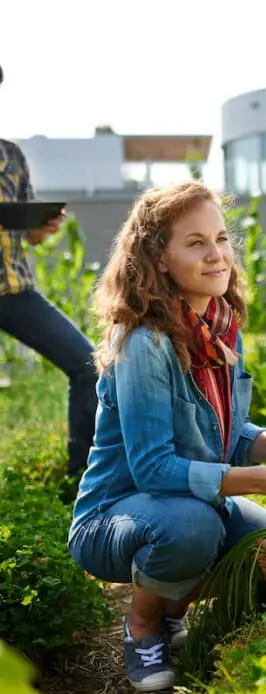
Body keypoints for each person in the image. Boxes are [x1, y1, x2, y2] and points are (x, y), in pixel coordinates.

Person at [67, 181, 266, 692]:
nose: (217, 255)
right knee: (193, 529)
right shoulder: (144, 343)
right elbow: (153, 470)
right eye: (195, 243)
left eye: (221, 239)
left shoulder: (219, 329)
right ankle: (144, 623)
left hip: (189, 502)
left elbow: (223, 433)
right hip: (116, 515)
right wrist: (261, 480)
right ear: (160, 258)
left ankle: (174, 603)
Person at [0, 64, 98, 481]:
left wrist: (43, 226)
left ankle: (84, 477)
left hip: (15, 289)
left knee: (90, 365)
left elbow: (32, 236)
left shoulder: (11, 155)